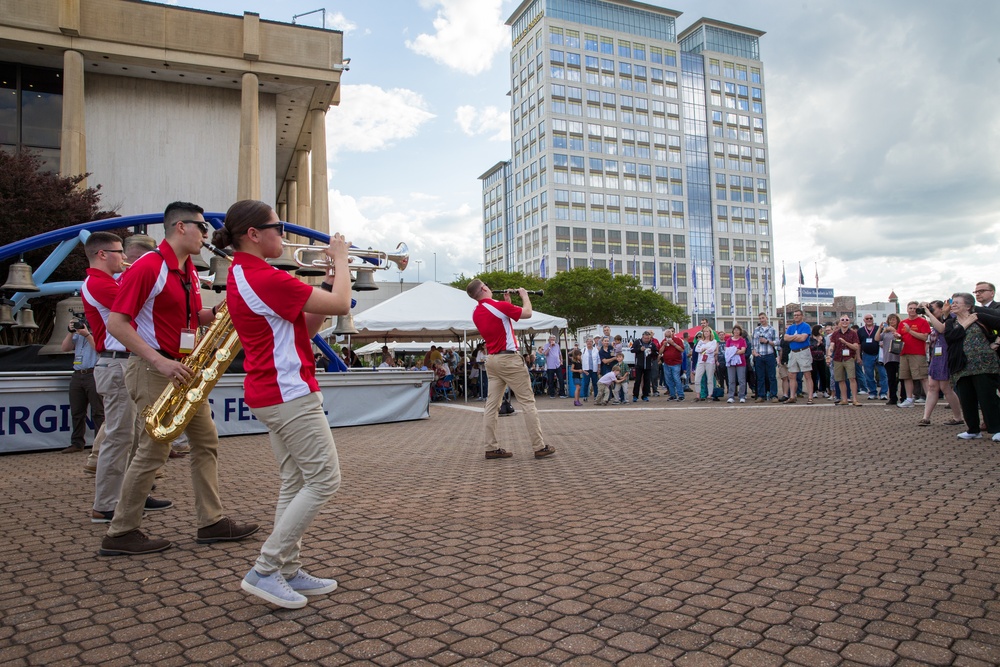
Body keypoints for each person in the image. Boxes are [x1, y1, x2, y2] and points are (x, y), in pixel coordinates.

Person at [99, 201, 259, 556]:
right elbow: (117, 323)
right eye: (202, 227)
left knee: (206, 442)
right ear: (180, 227)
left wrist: (217, 312)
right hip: (156, 370)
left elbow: (190, 317)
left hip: (184, 370)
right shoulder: (149, 267)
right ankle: (120, 532)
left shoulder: (186, 271)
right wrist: (159, 362)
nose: (206, 234)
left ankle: (211, 521)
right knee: (154, 449)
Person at [213, 200, 348, 609]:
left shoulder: (245, 274)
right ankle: (266, 569)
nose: (283, 234)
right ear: (253, 234)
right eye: (276, 227)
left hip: (275, 390)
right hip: (288, 393)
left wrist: (326, 282)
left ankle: (287, 568)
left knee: (295, 481)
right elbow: (344, 305)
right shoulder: (262, 276)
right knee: (325, 479)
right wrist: (341, 261)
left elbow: (305, 326)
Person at [81, 231, 172, 523]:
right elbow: (137, 303)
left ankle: (134, 495)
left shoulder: (109, 281)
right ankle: (105, 504)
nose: (125, 258)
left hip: (123, 364)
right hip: (115, 363)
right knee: (119, 438)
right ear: (102, 255)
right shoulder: (98, 283)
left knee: (133, 437)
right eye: (120, 252)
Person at [467, 280, 553, 459]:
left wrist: (508, 302)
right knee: (527, 402)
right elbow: (527, 313)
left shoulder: (476, 313)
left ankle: (491, 447)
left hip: (492, 360)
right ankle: (539, 446)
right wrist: (524, 296)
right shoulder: (498, 306)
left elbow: (500, 320)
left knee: (492, 405)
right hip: (509, 359)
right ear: (484, 288)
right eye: (487, 285)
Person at [943, 292, 1000, 441]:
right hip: (961, 366)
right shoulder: (951, 323)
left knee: (987, 397)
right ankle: (973, 430)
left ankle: (997, 428)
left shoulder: (980, 317)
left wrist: (997, 342)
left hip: (984, 364)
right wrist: (966, 323)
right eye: (952, 302)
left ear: (968, 305)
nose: (953, 305)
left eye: (957, 302)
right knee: (967, 399)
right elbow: (951, 338)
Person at [59, 310, 104, 453]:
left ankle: (99, 444)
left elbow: (99, 349)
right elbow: (64, 348)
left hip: (93, 374)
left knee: (98, 411)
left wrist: (87, 334)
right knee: (77, 411)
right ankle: (77, 443)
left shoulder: (98, 333)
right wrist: (70, 332)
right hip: (78, 374)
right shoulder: (77, 336)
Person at [919, 300, 964, 427]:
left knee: (946, 387)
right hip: (937, 356)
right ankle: (925, 417)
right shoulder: (936, 318)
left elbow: (942, 329)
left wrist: (928, 313)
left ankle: (958, 417)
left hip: (948, 354)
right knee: (932, 386)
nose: (931, 312)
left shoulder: (951, 317)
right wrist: (924, 308)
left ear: (942, 308)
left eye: (933, 309)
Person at [897, 301, 931, 408]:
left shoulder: (922, 322)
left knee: (922, 377)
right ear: (907, 309)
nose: (912, 310)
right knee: (906, 377)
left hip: (918, 353)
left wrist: (910, 331)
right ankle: (909, 399)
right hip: (904, 353)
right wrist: (897, 335)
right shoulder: (902, 322)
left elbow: (925, 337)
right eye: (910, 308)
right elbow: (900, 336)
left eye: (914, 308)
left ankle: (930, 398)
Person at [829, 316, 862, 407]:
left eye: (846, 320)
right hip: (838, 358)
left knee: (852, 378)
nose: (844, 321)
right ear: (840, 322)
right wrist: (829, 353)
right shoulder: (835, 334)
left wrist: (846, 343)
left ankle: (854, 399)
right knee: (840, 379)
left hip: (849, 358)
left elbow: (856, 346)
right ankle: (844, 399)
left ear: (849, 322)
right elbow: (832, 345)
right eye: (842, 320)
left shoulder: (853, 333)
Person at [783, 310, 814, 404]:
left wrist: (792, 337)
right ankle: (792, 396)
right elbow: (785, 338)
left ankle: (810, 397)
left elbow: (803, 338)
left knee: (807, 374)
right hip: (793, 352)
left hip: (803, 351)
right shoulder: (791, 327)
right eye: (794, 315)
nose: (796, 316)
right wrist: (796, 336)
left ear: (802, 316)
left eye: (798, 315)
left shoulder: (806, 326)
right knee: (792, 375)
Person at [858, 314, 888, 400]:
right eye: (867, 318)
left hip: (879, 354)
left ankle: (883, 393)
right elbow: (859, 344)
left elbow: (885, 339)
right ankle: (872, 392)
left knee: (883, 374)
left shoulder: (880, 328)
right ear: (864, 320)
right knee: (869, 375)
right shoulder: (860, 331)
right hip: (867, 355)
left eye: (871, 318)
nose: (869, 320)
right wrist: (859, 356)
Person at [751, 313, 779, 403]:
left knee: (772, 376)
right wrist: (754, 352)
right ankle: (761, 395)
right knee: (760, 377)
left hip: (769, 355)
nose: (761, 320)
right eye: (760, 318)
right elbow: (753, 343)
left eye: (763, 318)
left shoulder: (772, 329)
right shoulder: (756, 330)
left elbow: (777, 342)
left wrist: (767, 341)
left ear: (766, 318)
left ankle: (773, 395)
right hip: (759, 356)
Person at [877, 313, 903, 405]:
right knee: (891, 379)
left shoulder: (900, 329)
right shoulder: (885, 332)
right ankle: (893, 397)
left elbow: (902, 338)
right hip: (888, 358)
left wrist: (894, 330)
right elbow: (876, 338)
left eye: (894, 319)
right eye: (890, 319)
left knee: (902, 379)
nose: (892, 321)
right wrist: (880, 328)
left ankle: (903, 397)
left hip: (899, 357)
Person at [630, 330, 658, 402]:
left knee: (647, 381)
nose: (646, 340)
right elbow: (632, 349)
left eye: (648, 338)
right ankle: (635, 395)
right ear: (642, 337)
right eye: (645, 338)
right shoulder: (637, 342)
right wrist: (639, 349)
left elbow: (656, 353)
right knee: (637, 380)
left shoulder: (652, 344)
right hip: (639, 365)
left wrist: (651, 352)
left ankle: (645, 395)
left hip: (648, 365)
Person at [659, 327, 684, 401]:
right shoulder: (664, 341)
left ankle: (681, 395)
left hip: (676, 363)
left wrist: (674, 344)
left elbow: (682, 349)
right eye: (666, 336)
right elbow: (660, 352)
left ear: (672, 334)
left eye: (669, 336)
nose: (667, 338)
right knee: (668, 380)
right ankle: (672, 395)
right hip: (667, 363)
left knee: (676, 379)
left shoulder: (678, 340)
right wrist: (663, 345)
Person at [725, 325, 748, 403]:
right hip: (731, 362)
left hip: (740, 362)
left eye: (738, 330)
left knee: (741, 379)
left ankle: (742, 395)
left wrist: (733, 351)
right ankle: (731, 396)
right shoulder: (729, 340)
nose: (736, 332)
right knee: (731, 380)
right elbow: (727, 350)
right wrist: (735, 351)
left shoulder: (742, 340)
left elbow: (743, 350)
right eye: (735, 330)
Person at [693, 329, 718, 402]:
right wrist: (703, 349)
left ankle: (710, 395)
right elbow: (697, 350)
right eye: (705, 332)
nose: (706, 333)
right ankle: (698, 394)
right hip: (701, 361)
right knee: (697, 379)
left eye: (707, 331)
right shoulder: (700, 341)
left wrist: (703, 350)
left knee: (709, 378)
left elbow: (712, 349)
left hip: (709, 361)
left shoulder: (713, 341)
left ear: (710, 333)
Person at [580, 336, 600, 401]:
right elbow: (580, 360)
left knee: (595, 383)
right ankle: (585, 396)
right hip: (586, 369)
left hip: (594, 369)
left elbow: (598, 360)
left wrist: (599, 368)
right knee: (586, 383)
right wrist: (582, 369)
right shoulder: (583, 350)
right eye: (588, 341)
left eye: (590, 342)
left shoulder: (595, 350)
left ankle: (596, 396)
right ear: (586, 343)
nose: (589, 343)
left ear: (592, 342)